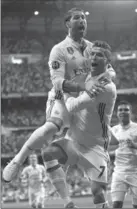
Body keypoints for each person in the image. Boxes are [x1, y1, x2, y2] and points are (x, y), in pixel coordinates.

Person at [3, 8, 114, 208]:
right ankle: (18, 160)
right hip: (63, 96)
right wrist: (84, 86)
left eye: (84, 18)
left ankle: (70, 198)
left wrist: (106, 78)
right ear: (67, 24)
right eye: (77, 18)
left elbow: (110, 69)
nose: (82, 21)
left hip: (82, 100)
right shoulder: (59, 50)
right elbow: (57, 82)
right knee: (53, 127)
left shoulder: (92, 48)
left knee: (69, 143)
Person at [41, 40, 117, 208]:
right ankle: (67, 202)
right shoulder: (89, 75)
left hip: (95, 146)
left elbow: (72, 106)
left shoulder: (105, 88)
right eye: (93, 53)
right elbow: (109, 72)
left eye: (100, 55)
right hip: (74, 141)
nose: (94, 57)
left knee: (98, 194)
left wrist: (64, 93)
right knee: (48, 153)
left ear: (107, 62)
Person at [109, 100, 137, 208]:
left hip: (135, 171)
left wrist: (135, 145)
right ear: (117, 113)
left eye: (126, 110)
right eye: (120, 110)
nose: (123, 112)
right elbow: (108, 148)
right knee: (116, 205)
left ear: (131, 112)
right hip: (118, 172)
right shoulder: (114, 130)